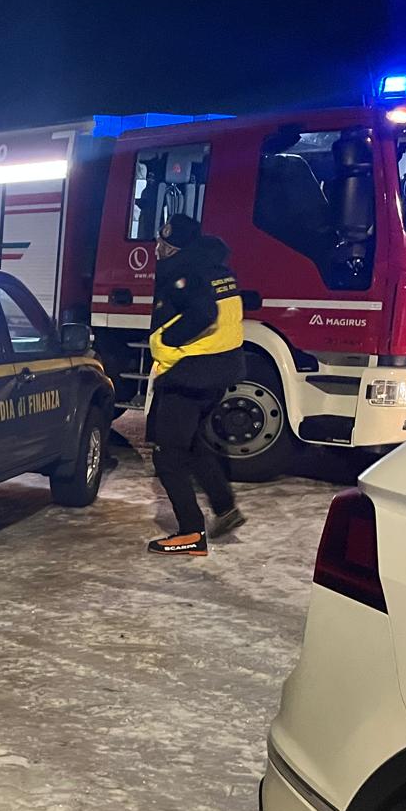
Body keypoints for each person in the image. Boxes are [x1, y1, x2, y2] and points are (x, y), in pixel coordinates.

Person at [145, 213, 248, 556]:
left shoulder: (185, 272)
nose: (158, 250)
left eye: (165, 245)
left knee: (168, 456)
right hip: (218, 372)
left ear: (178, 249)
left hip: (189, 374)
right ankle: (225, 507)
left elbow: (204, 313)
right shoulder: (218, 269)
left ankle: (190, 533)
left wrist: (167, 339)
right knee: (193, 444)